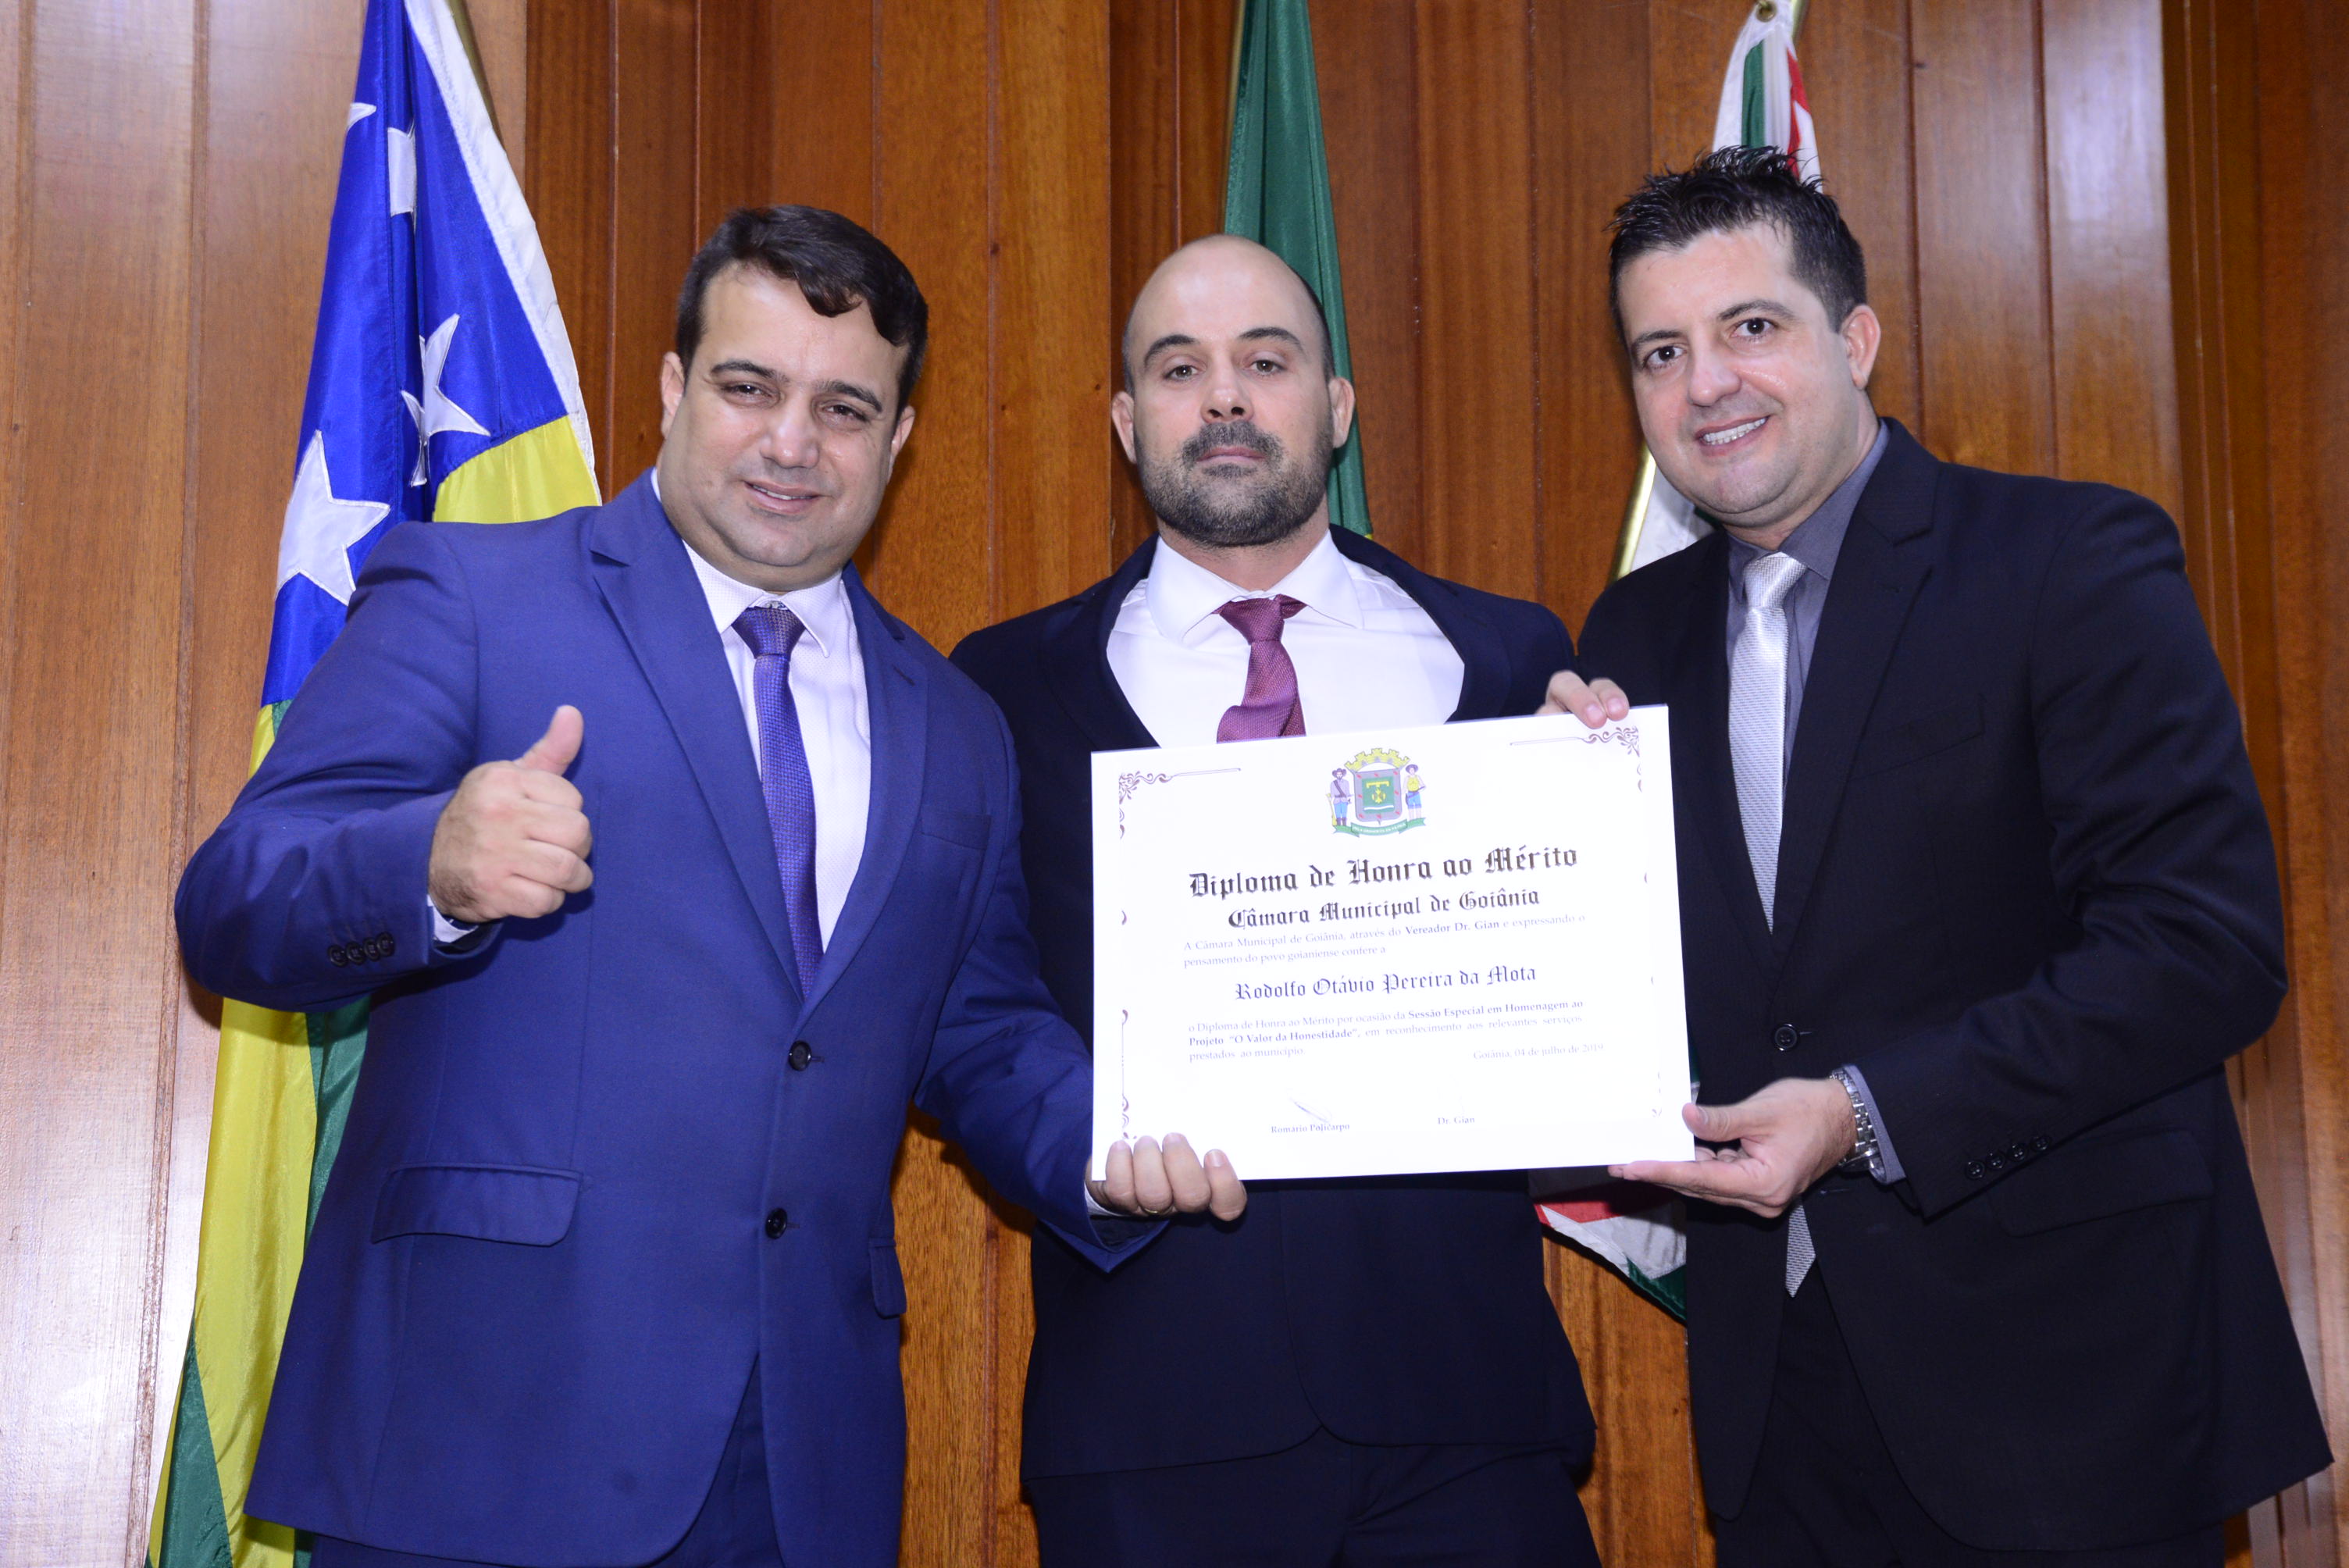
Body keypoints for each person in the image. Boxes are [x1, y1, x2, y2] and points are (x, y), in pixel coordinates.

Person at [174, 205, 1240, 1568]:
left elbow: (977, 1030)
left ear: (899, 439)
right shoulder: (474, 594)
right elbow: (234, 900)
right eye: (750, 387)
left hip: (794, 1475)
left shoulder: (955, 724)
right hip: (479, 1438)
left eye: (845, 408)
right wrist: (429, 863)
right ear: (675, 389)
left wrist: (1117, 1141)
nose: (793, 442)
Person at [1542, 146, 2331, 1565]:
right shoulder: (1628, 639)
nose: (1706, 383)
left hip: (2069, 1379)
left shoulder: (2067, 557)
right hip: (1782, 1405)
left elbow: (2202, 950)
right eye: (1661, 352)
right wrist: (1547, 833)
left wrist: (1862, 1113)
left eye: (1750, 327)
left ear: (1856, 339)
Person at [953, 234, 1608, 1567]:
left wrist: (1602, 810)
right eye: (1178, 369)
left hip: (1469, 1416)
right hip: (1154, 1426)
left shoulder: (1510, 657)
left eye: (1267, 361)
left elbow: (1588, 994)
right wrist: (1090, 1147)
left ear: (1337, 406)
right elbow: (971, 1011)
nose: (1225, 397)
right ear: (1127, 421)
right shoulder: (1004, 687)